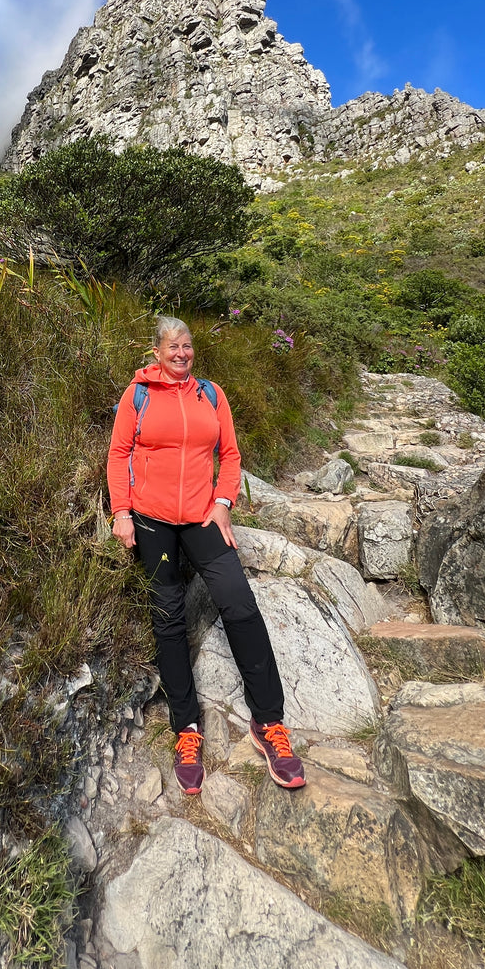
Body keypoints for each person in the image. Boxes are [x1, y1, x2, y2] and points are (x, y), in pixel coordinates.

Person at [107, 316, 305, 795]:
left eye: (188, 346)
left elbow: (230, 455)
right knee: (169, 618)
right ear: (156, 351)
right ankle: (187, 731)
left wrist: (222, 503)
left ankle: (269, 724)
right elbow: (119, 454)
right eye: (173, 346)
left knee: (239, 603)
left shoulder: (211, 395)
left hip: (201, 519)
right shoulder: (138, 395)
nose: (181, 353)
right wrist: (122, 513)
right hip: (152, 522)